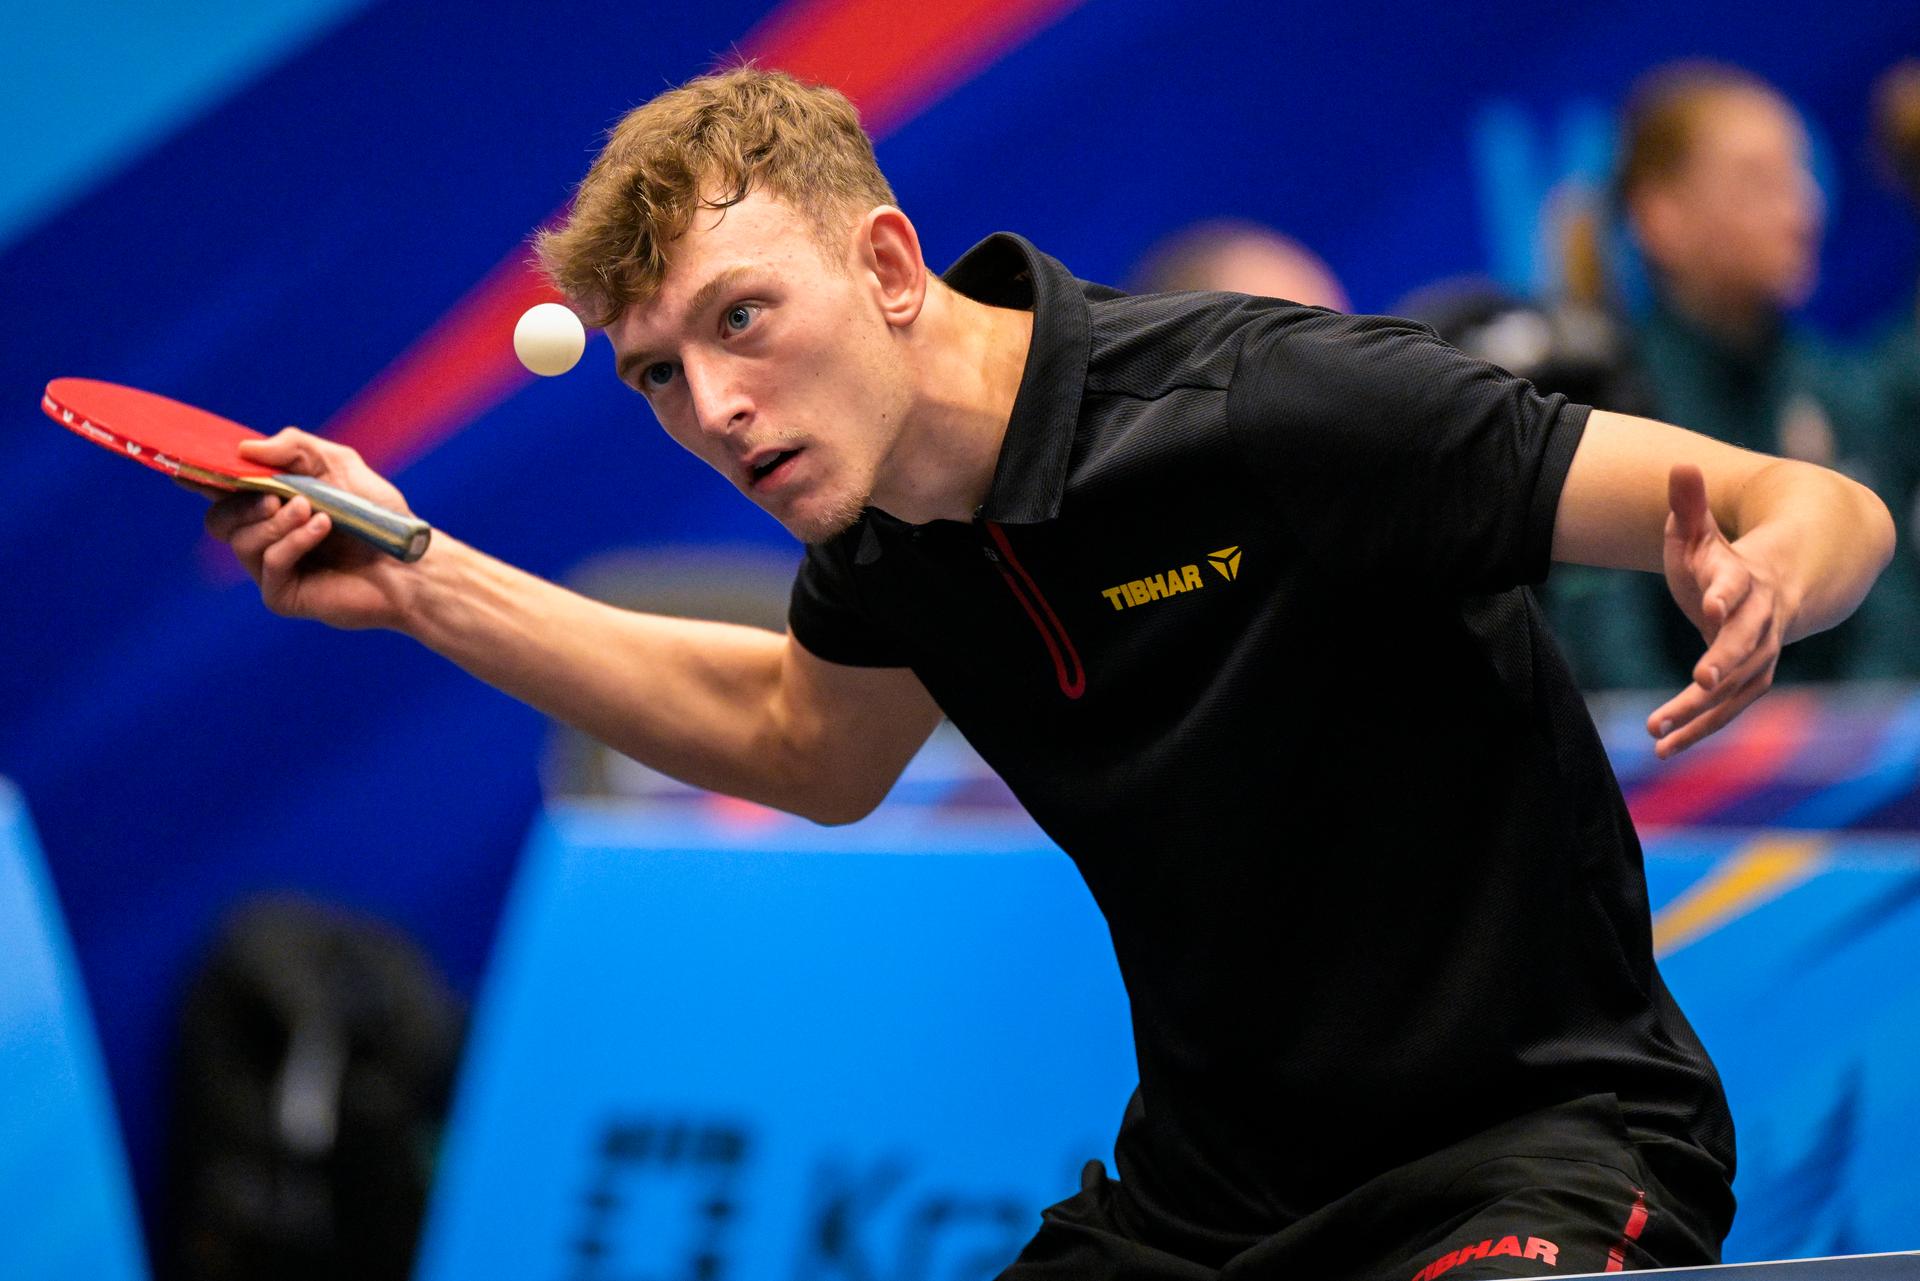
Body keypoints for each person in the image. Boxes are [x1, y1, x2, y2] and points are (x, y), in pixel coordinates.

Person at [199, 67, 1893, 1280]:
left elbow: (1809, 499)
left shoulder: (1268, 408)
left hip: (1535, 1147)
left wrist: (1767, 575)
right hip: (1210, 1208)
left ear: (885, 265)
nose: (712, 407)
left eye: (740, 319)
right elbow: (802, 738)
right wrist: (420, 578)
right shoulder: (888, 545)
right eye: (656, 373)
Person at [1616, 62, 1889, 683]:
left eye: (1802, 175)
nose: (1805, 211)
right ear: (1661, 217)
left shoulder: (1843, 389)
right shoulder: (1610, 403)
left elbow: (1892, 623)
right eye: (1758, 182)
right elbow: (1610, 657)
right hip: (1675, 733)